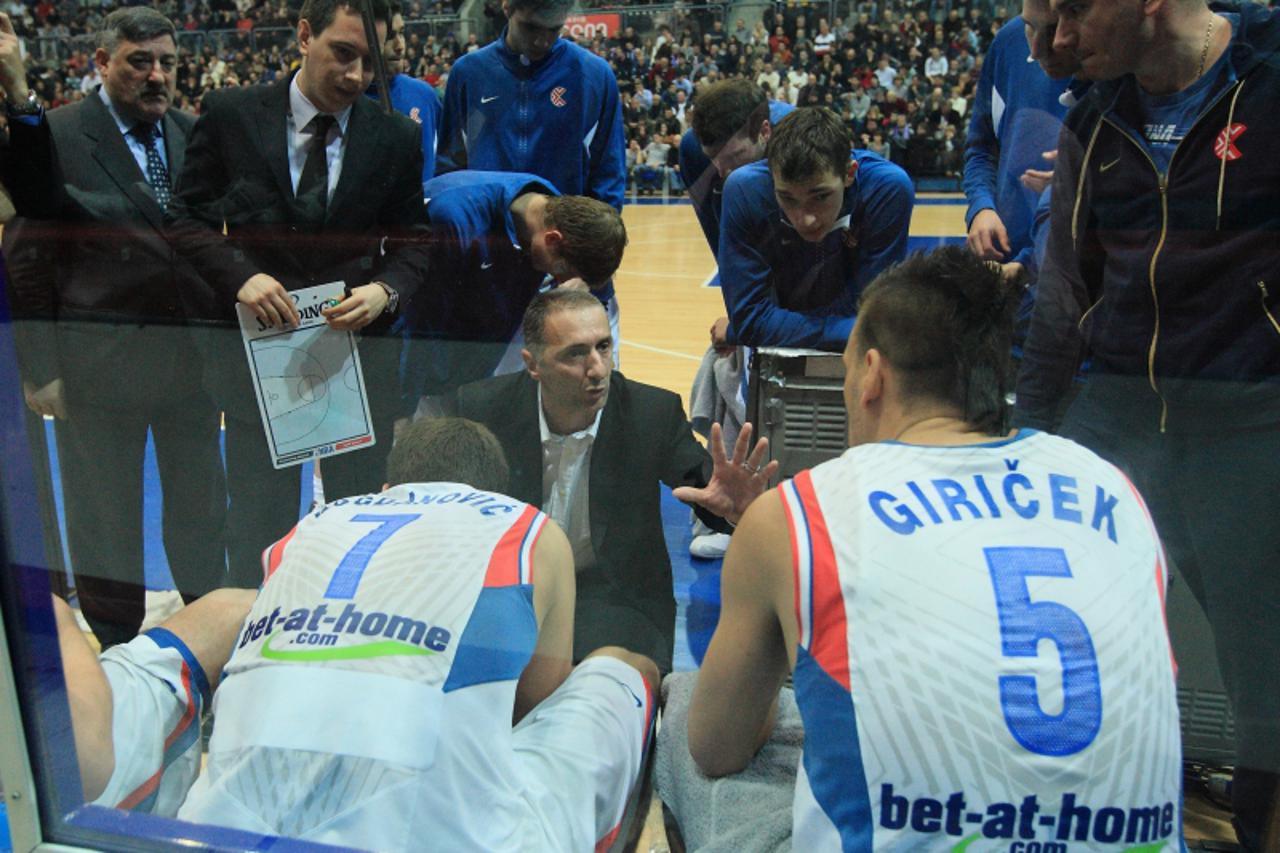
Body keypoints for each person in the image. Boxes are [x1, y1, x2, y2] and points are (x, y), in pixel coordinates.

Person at [679, 247, 1184, 849]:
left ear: (871, 374)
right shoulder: (1113, 486)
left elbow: (717, 749)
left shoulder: (803, 510)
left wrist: (767, 570)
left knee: (686, 710)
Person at [1017, 0, 1280, 846]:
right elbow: (1062, 299)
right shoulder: (1096, 121)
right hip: (1120, 427)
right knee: (1089, 659)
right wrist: (1031, 440)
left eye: (1073, 12)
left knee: (1266, 683)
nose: (1057, 40)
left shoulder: (1269, 81)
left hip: (1253, 432)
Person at [177, 417, 660, 852]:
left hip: (220, 828)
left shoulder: (310, 526)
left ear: (388, 487)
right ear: (498, 491)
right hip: (453, 837)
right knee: (627, 667)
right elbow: (537, 703)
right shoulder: (526, 527)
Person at [166, 0, 431, 587]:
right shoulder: (231, 114)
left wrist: (386, 291)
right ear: (305, 35)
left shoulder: (395, 137)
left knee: (356, 515)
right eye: (344, 53)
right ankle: (253, 635)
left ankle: (345, 638)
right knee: (258, 518)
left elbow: (416, 241)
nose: (359, 76)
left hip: (355, 360)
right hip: (260, 359)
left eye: (372, 62)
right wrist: (240, 275)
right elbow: (188, 220)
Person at [0, 7, 227, 647]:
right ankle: (117, 648)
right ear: (101, 63)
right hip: (96, 367)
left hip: (190, 365)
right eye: (139, 62)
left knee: (200, 515)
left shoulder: (192, 132)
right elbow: (29, 257)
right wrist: (41, 367)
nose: (157, 76)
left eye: (167, 63)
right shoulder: (59, 134)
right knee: (106, 522)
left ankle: (208, 636)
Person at [454, 289, 775, 673]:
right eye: (575, 353)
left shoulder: (649, 412)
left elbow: (707, 488)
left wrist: (741, 513)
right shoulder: (482, 409)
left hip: (616, 598)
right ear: (532, 364)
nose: (598, 369)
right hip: (512, 593)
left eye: (603, 347)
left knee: (601, 692)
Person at [435, 0, 627, 352]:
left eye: (554, 30)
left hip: (571, 278)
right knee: (490, 401)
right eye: (531, 28)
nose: (542, 41)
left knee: (589, 396)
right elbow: (450, 170)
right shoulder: (468, 74)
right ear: (507, 8)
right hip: (491, 283)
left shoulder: (595, 76)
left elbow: (609, 185)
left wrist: (586, 275)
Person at [401, 170, 626, 412]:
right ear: (552, 240)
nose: (560, 281)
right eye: (562, 272)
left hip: (473, 366)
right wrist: (404, 407)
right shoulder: (455, 219)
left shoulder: (556, 212)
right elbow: (419, 325)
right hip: (419, 372)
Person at [717, 106, 913, 351]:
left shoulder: (887, 189)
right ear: (771, 179)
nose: (805, 220)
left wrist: (750, 328)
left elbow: (876, 318)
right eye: (787, 198)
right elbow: (750, 321)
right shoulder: (744, 189)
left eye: (820, 197)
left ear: (850, 173)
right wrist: (748, 327)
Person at [52, 588, 255, 813]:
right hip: (91, 782)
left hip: (86, 702)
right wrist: (57, 618)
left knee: (235, 607)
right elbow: (91, 769)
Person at [963, 0, 1076, 347]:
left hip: (1069, 292)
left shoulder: (1110, 63)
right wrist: (981, 206)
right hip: (1005, 283)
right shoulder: (1008, 42)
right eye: (1030, 25)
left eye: (1054, 26)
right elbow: (981, 147)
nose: (1037, 48)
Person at [371, 3, 441, 186]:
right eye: (389, 36)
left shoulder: (425, 95)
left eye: (401, 33)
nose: (400, 46)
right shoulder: (346, 101)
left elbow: (450, 158)